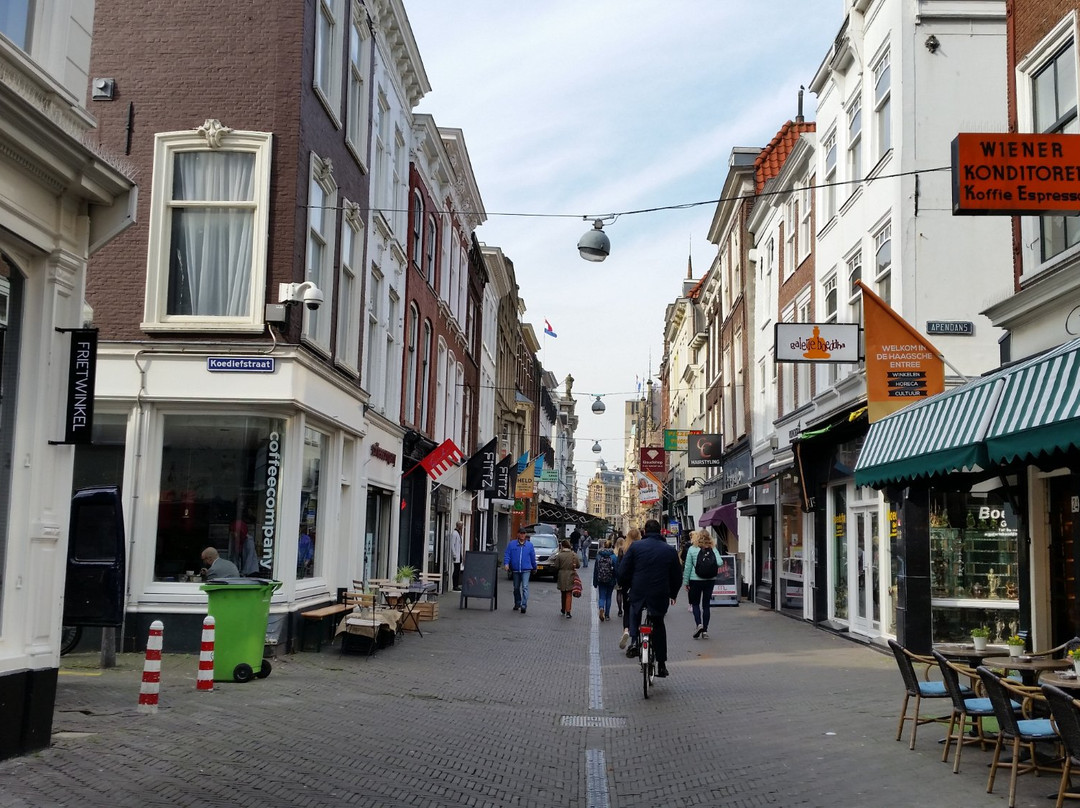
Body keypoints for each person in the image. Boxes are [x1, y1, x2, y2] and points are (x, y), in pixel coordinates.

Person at [617, 519, 682, 678]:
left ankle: (634, 642)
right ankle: (661, 664)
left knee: (634, 612)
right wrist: (673, 594)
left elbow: (623, 571)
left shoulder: (635, 547)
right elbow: (677, 576)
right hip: (659, 593)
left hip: (638, 591)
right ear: (660, 531)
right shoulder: (669, 550)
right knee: (658, 624)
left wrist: (626, 585)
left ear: (645, 531)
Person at [683, 530, 721, 639]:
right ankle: (705, 631)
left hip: (695, 580)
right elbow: (720, 562)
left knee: (695, 604)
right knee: (706, 605)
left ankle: (699, 624)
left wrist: (686, 582)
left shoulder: (692, 549)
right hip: (710, 580)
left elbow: (687, 567)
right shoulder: (713, 548)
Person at [616, 527, 641, 648]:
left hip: (626, 584)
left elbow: (620, 568)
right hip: (639, 584)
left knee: (626, 609)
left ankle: (626, 629)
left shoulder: (623, 550)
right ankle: (634, 638)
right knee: (637, 610)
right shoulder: (642, 550)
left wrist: (620, 583)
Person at [503, 527, 537, 614]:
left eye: (524, 533)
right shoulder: (512, 544)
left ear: (525, 535)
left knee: (525, 587)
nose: (522, 535)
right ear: (518, 534)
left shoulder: (529, 545)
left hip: (526, 569)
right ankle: (517, 602)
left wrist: (534, 567)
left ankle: (523, 605)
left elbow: (532, 558)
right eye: (521, 533)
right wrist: (506, 564)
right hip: (515, 570)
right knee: (516, 587)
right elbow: (507, 554)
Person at [552, 539, 580, 618]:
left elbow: (556, 566)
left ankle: (563, 609)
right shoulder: (573, 555)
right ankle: (568, 611)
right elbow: (578, 565)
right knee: (569, 593)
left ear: (562, 546)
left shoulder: (560, 555)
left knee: (563, 593)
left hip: (562, 575)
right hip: (571, 575)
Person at [593, 538, 618, 621]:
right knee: (608, 597)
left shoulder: (599, 556)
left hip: (600, 579)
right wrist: (616, 579)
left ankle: (601, 607)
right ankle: (607, 615)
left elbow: (596, 570)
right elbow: (616, 570)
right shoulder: (613, 557)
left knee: (602, 596)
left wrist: (595, 582)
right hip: (611, 579)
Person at [450, 521, 463, 591]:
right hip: (456, 555)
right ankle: (455, 585)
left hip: (459, 554)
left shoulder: (458, 533)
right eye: (461, 525)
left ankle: (456, 585)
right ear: (458, 526)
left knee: (457, 570)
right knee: (456, 570)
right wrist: (454, 554)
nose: (462, 527)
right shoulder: (455, 533)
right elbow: (452, 545)